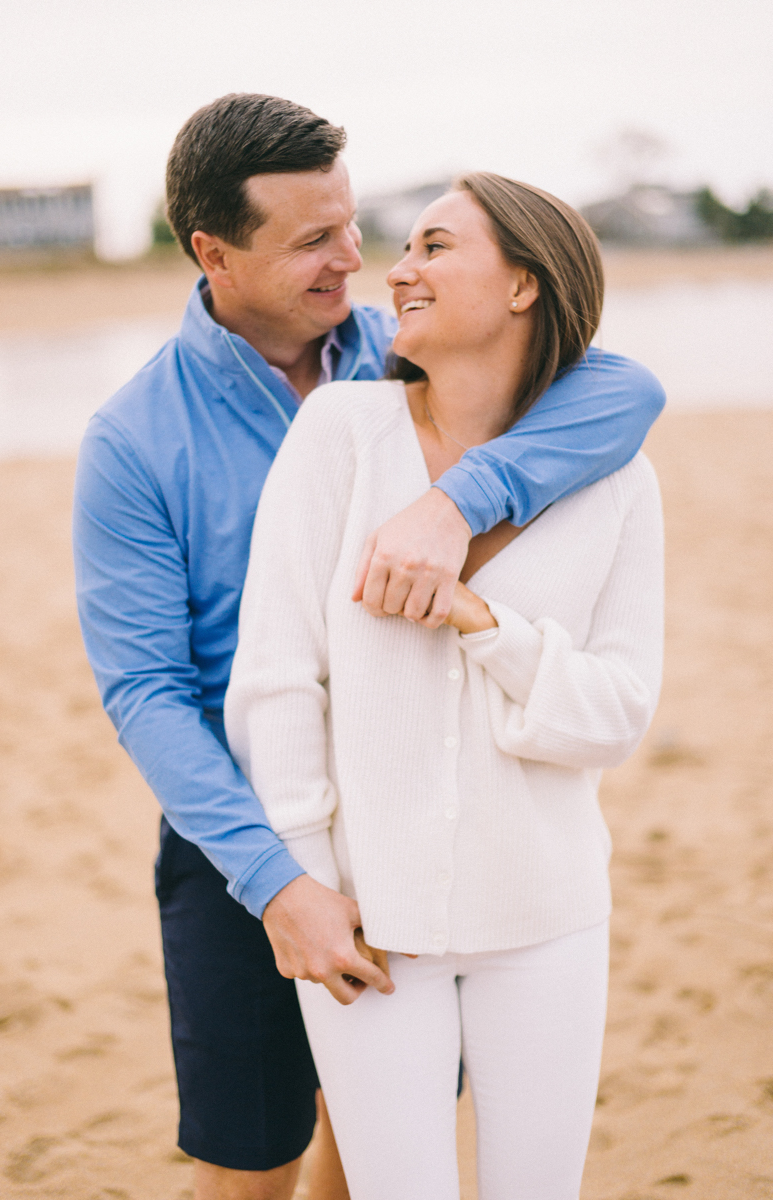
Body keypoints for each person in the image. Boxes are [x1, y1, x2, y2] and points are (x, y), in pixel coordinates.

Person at [72, 90, 664, 1200]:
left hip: (414, 835)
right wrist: (278, 876)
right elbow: (150, 692)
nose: (356, 260)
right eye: (311, 242)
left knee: (372, 1159)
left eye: (353, 226)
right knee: (250, 1164)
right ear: (215, 253)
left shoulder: (407, 354)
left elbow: (623, 386)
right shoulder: (135, 439)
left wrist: (461, 501)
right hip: (235, 833)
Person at [224, 173, 664, 1200]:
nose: (395, 270)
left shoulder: (617, 479)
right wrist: (307, 877)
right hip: (373, 928)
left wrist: (484, 624)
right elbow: (277, 682)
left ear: (523, 284)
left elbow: (613, 713)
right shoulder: (339, 432)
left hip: (548, 918)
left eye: (431, 246)